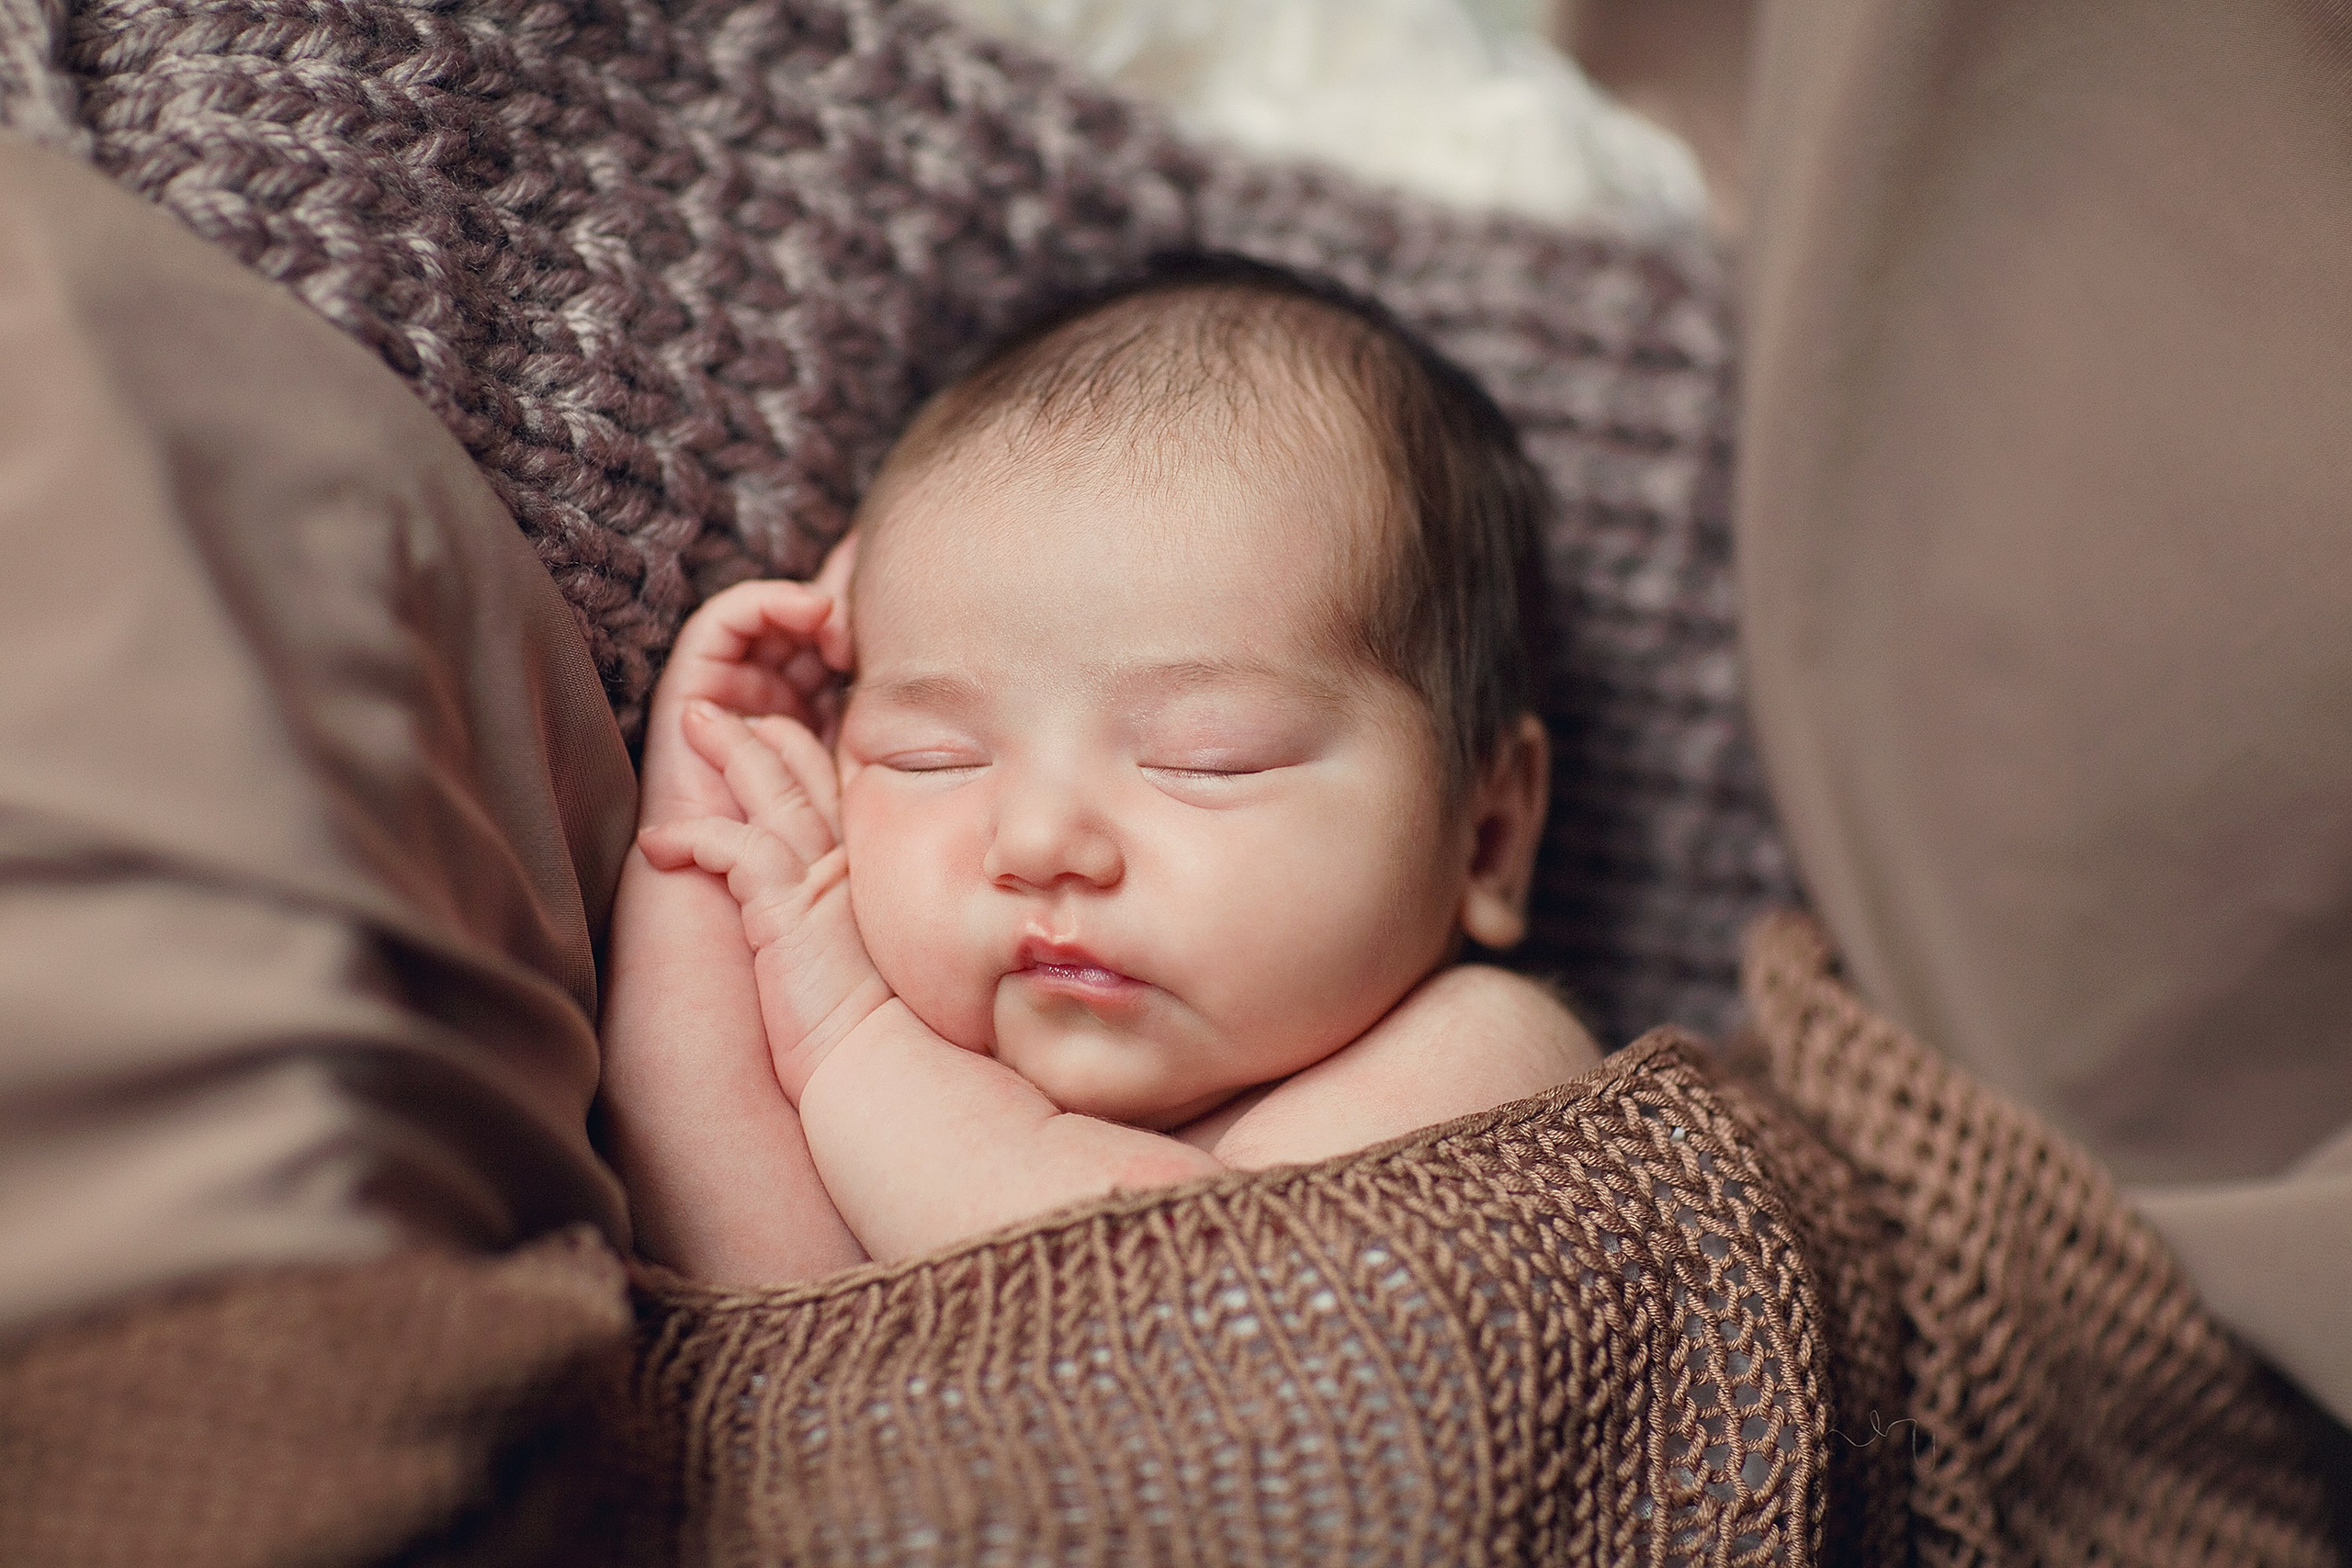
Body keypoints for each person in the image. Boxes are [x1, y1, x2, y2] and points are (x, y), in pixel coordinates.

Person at [598, 256, 1602, 1279]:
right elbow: (763, 1294)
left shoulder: (1491, 1063)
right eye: (930, 756)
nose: (1037, 843)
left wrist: (851, 1041)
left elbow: (1160, 1311)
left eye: (1206, 760)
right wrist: (711, 832)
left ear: (1487, 836)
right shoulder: (920, 1107)